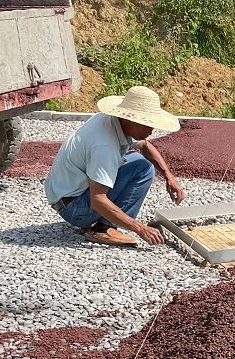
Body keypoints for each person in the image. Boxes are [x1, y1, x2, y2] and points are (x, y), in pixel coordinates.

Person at [44, 85, 185, 247]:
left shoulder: (110, 121)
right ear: (130, 119)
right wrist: (140, 229)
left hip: (66, 196)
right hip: (74, 209)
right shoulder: (104, 146)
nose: (151, 130)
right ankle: (104, 228)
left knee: (142, 165)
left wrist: (169, 176)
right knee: (143, 169)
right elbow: (98, 200)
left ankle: (106, 223)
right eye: (147, 125)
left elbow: (145, 145)